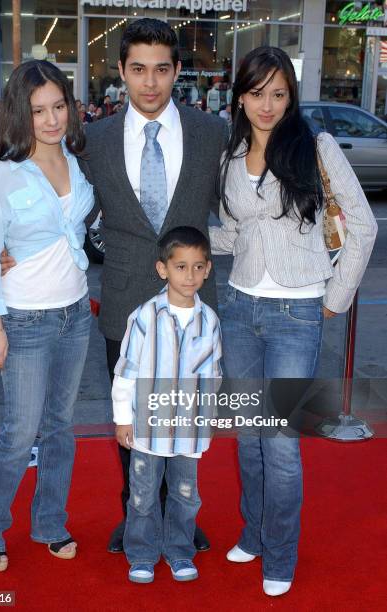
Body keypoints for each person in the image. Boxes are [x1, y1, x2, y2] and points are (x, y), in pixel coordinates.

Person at [210, 46, 378, 596]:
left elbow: (362, 225)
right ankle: (255, 534)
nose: (267, 105)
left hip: (295, 312)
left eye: (278, 94)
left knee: (279, 440)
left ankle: (279, 554)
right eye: (257, 93)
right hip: (238, 306)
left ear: (291, 96)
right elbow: (235, 234)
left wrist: (336, 295)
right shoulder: (230, 153)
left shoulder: (317, 147)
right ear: (240, 95)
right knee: (248, 436)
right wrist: (175, 242)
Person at [81, 18, 228, 554]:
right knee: (131, 419)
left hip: (192, 302)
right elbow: (70, 204)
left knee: (183, 415)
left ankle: (178, 517)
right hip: (123, 300)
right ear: (120, 71)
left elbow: (236, 204)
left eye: (161, 70)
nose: (150, 83)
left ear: (177, 71)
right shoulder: (92, 139)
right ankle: (135, 515)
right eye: (138, 70)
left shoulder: (210, 133)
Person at [0, 60, 94, 572]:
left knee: (61, 427)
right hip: (23, 319)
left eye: (59, 106)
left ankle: (49, 522)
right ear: (21, 114)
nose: (51, 119)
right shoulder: (2, 175)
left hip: (76, 313)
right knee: (19, 432)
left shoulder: (77, 158)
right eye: (39, 110)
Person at [112, 226, 222, 583]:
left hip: (189, 430)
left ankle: (179, 551)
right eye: (180, 267)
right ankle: (142, 554)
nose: (189, 275)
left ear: (207, 269)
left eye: (197, 267)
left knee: (186, 496)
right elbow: (125, 370)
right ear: (163, 269)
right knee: (142, 497)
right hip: (147, 429)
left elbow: (213, 375)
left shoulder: (210, 321)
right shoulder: (145, 317)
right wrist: (122, 418)